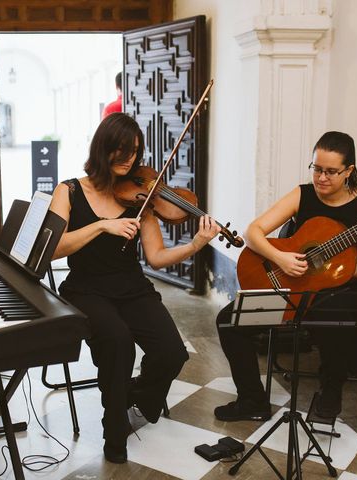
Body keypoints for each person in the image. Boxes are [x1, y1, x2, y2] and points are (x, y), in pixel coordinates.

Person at [49, 113, 221, 463]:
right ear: (103, 148)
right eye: (123, 152)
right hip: (86, 288)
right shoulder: (68, 190)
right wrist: (101, 227)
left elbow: (156, 257)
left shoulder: (140, 197)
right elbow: (53, 248)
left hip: (131, 287)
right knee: (118, 343)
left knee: (173, 353)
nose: (130, 161)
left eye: (135, 152)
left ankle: (129, 393)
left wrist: (196, 245)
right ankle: (114, 430)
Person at [215, 131, 357, 421]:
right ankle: (252, 400)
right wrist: (280, 258)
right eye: (317, 169)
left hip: (349, 291)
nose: (322, 178)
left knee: (328, 315)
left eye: (331, 172)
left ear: (349, 171)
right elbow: (253, 232)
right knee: (228, 322)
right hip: (294, 283)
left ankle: (331, 391)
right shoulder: (303, 194)